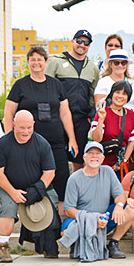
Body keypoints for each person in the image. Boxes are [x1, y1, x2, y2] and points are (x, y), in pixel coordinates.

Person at [4, 46, 77, 214]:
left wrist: (71, 138)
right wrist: (10, 138)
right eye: (32, 60)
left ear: (46, 62)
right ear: (28, 63)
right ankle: (34, 219)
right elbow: (8, 114)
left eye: (39, 59)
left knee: (60, 179)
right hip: (29, 142)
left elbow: (65, 114)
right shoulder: (20, 85)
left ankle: (59, 221)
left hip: (56, 141)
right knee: (34, 178)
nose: (36, 63)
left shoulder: (56, 84)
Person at [0, 110, 57, 263]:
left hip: (37, 186)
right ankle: (3, 247)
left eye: (29, 127)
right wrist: (12, 192)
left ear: (33, 125)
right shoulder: (1, 145)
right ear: (14, 125)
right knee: (8, 208)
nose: (26, 132)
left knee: (53, 203)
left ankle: (49, 244)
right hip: (10, 187)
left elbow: (50, 172)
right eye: (22, 128)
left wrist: (36, 190)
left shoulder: (42, 143)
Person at [62, 141, 134, 261]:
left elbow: (120, 195)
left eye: (97, 154)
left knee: (130, 208)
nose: (94, 156)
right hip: (82, 221)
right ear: (84, 157)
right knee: (65, 232)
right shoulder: (74, 178)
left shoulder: (108, 172)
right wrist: (91, 220)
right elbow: (68, 210)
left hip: (104, 220)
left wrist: (119, 205)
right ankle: (77, 245)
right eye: (90, 153)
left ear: (102, 158)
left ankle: (114, 243)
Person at [46, 29, 99, 170]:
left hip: (81, 120)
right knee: (56, 158)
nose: (82, 45)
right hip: (57, 118)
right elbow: (46, 89)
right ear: (73, 41)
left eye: (86, 43)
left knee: (79, 158)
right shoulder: (56, 62)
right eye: (79, 41)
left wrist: (90, 116)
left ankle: (77, 189)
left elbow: (93, 95)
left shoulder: (93, 68)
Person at [91, 81, 134, 174]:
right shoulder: (103, 112)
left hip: (121, 165)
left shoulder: (131, 115)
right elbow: (96, 139)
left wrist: (124, 161)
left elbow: (131, 141)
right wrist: (101, 119)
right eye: (117, 92)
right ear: (112, 93)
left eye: (124, 94)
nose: (120, 96)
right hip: (102, 163)